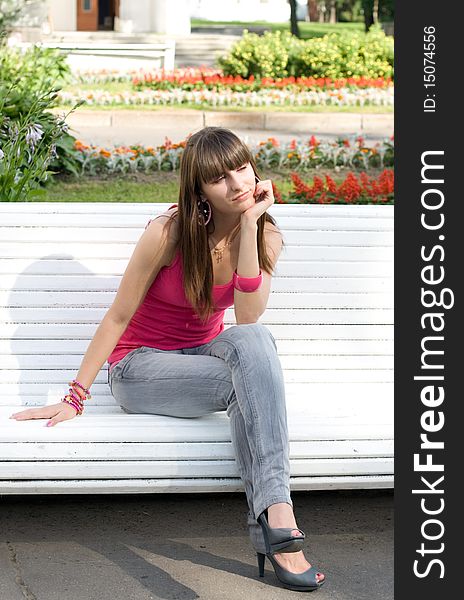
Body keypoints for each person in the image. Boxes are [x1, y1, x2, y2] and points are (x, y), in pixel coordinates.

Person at [10, 127, 325, 592]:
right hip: (140, 366)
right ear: (198, 189)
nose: (237, 185)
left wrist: (252, 226)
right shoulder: (168, 233)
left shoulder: (264, 235)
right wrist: (75, 397)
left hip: (202, 356)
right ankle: (277, 535)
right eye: (219, 178)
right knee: (252, 385)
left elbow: (248, 317)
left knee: (256, 343)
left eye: (241, 168)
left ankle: (276, 516)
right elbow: (118, 316)